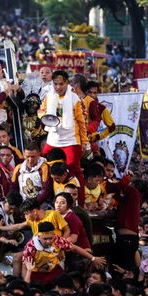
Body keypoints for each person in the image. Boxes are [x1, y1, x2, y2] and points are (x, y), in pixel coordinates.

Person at [38, 70, 90, 203]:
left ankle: (80, 205)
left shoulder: (75, 99)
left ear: (67, 83)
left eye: (61, 84)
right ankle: (47, 198)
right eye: (55, 84)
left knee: (74, 170)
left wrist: (84, 142)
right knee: (42, 164)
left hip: (71, 140)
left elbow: (82, 121)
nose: (58, 87)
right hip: (53, 138)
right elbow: (40, 111)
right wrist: (45, 117)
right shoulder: (49, 96)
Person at [21, 221, 104, 284]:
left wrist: (93, 258)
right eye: (45, 239)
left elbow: (75, 248)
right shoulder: (30, 248)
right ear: (39, 236)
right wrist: (26, 285)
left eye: (50, 238)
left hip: (54, 271)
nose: (48, 241)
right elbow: (25, 268)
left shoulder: (58, 240)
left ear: (54, 235)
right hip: (37, 274)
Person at [83, 80, 116, 155]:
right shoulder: (78, 104)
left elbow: (112, 127)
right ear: (85, 92)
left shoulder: (101, 108)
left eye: (94, 93)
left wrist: (98, 136)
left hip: (91, 143)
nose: (92, 95)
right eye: (90, 92)